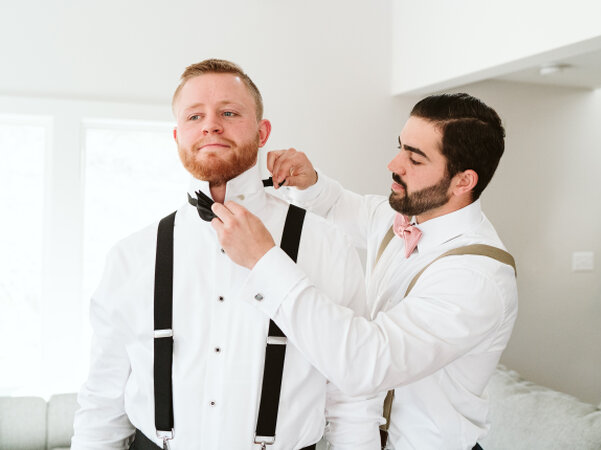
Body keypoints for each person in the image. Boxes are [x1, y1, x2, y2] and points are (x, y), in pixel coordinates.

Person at [71, 59, 383, 450]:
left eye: (229, 113)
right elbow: (101, 404)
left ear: (262, 131)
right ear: (178, 136)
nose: (211, 126)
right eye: (195, 116)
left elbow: (353, 400)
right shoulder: (130, 256)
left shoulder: (327, 244)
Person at [212, 93, 518, 450]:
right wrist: (310, 182)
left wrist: (265, 263)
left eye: (415, 158)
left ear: (463, 182)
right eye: (400, 147)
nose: (394, 164)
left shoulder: (477, 278)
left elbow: (365, 363)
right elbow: (341, 206)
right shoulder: (401, 217)